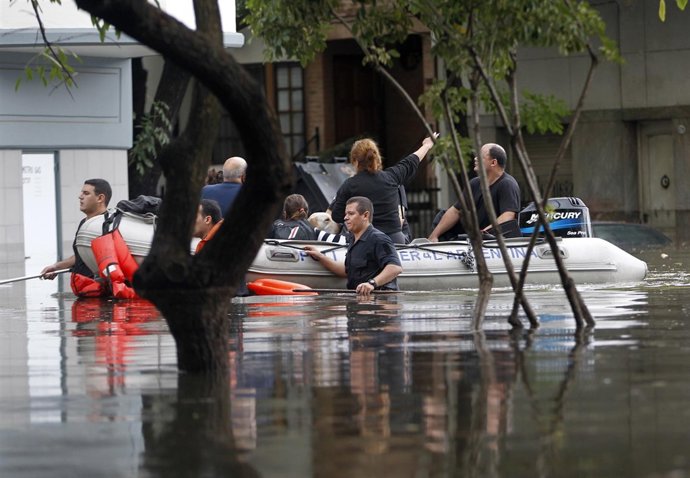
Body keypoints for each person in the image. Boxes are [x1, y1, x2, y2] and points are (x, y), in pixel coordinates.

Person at [329, 134, 438, 244]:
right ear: (377, 159)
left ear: (355, 161)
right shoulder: (391, 177)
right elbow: (411, 161)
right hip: (395, 241)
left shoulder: (349, 185)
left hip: (365, 242)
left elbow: (337, 216)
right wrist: (427, 145)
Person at [304, 196, 402, 297]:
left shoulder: (378, 239)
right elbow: (347, 271)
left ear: (365, 215)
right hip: (359, 301)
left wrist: (372, 283)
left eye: (351, 214)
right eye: (346, 214)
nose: (345, 217)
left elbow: (395, 267)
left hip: (379, 302)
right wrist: (320, 257)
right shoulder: (353, 240)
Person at [428, 143, 521, 242]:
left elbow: (507, 216)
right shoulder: (474, 183)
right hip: (474, 241)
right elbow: (456, 211)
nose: (475, 158)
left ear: (493, 162)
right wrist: (433, 236)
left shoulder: (507, 184)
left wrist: (483, 234)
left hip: (494, 243)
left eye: (481, 156)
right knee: (442, 215)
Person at [41, 179, 112, 295]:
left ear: (100, 198)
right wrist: (56, 267)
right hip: (85, 291)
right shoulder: (84, 223)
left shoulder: (107, 225)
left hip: (100, 296)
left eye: (86, 193)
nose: (80, 196)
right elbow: (82, 255)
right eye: (81, 192)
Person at [269, 194, 347, 244]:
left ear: (285, 213)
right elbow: (345, 241)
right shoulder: (314, 231)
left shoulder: (275, 225)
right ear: (306, 211)